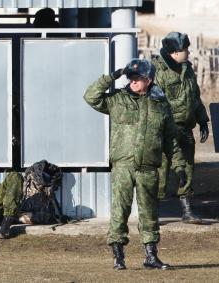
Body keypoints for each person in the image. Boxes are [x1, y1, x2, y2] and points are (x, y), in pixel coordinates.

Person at [84, 59, 186, 270]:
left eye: (137, 78)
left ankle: (151, 256)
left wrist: (179, 166)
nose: (133, 81)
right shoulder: (117, 100)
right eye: (130, 78)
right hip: (123, 167)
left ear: (148, 80)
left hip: (148, 168)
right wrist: (112, 76)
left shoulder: (160, 104)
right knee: (120, 211)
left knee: (149, 213)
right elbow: (91, 96)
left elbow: (170, 139)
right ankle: (118, 256)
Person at [152, 32, 210, 224]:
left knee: (187, 168)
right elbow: (154, 103)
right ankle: (153, 212)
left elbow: (194, 96)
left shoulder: (188, 69)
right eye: (185, 49)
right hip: (165, 130)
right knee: (162, 169)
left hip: (185, 128)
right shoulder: (158, 71)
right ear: (174, 52)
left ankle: (187, 210)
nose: (188, 51)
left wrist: (202, 120)